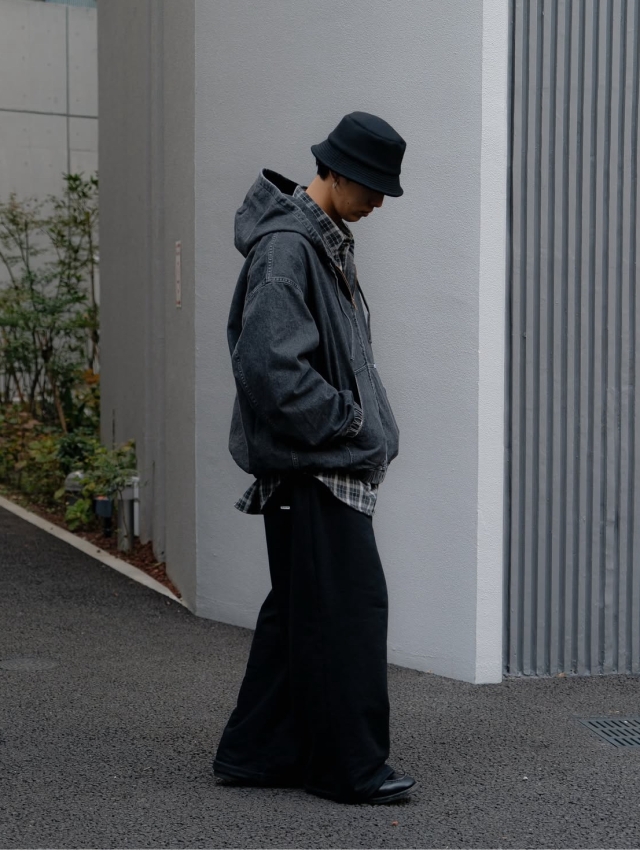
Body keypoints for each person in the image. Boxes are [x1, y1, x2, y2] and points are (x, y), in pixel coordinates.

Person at [213, 112, 415, 805]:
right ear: (336, 172)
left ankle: (256, 752)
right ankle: (348, 768)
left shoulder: (320, 243)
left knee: (302, 612)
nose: (379, 201)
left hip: (320, 466)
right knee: (348, 613)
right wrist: (351, 422)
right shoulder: (288, 249)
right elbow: (271, 369)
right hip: (315, 467)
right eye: (373, 186)